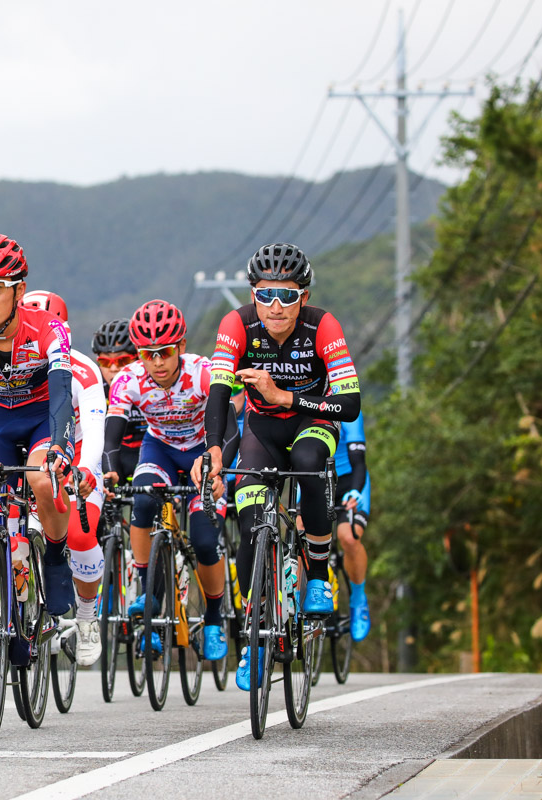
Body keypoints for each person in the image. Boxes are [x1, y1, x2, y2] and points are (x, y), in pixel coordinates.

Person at [195, 242, 361, 692]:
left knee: (309, 462)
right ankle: (253, 639)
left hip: (314, 419)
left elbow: (349, 404)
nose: (276, 307)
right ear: (253, 294)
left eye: (287, 296)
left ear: (303, 297)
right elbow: (218, 394)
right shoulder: (238, 324)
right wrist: (212, 450)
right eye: (266, 295)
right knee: (250, 522)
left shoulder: (322, 326)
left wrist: (285, 397)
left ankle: (320, 577)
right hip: (262, 431)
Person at [0, 234, 75, 694]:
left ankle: (58, 555)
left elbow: (62, 391)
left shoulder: (48, 329)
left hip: (43, 419)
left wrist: (61, 444)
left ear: (19, 291)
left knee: (43, 480)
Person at [0, 290, 107, 667]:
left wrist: (87, 467)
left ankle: (87, 617)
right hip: (9, 442)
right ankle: (9, 620)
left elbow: (92, 426)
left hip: (67, 450)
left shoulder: (82, 369)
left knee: (78, 533)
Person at [102, 300, 239, 663]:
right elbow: (112, 438)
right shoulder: (129, 380)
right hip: (160, 448)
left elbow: (230, 428)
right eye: (148, 354)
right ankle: (146, 589)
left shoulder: (204, 372)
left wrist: (217, 465)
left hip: (204, 451)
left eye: (165, 352)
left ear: (180, 346)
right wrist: (111, 469)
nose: (158, 362)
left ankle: (212, 620)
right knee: (144, 499)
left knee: (206, 541)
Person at [91, 319, 146, 483]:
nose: (113, 368)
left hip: (148, 450)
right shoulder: (93, 387)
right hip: (114, 453)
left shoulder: (152, 382)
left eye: (122, 361)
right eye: (105, 362)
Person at [335, 412, 372, 642]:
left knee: (348, 537)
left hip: (350, 480)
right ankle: (298, 596)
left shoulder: (347, 408)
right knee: (299, 529)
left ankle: (358, 601)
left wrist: (356, 490)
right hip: (316, 478)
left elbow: (359, 462)